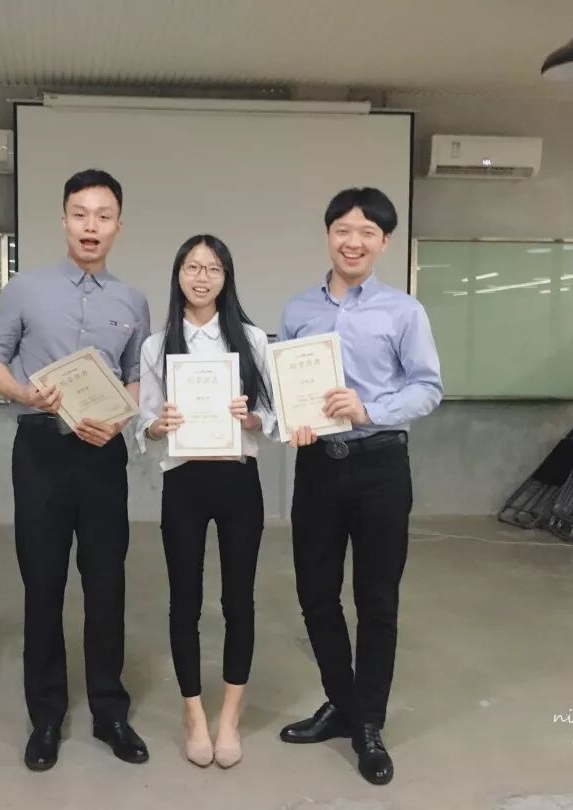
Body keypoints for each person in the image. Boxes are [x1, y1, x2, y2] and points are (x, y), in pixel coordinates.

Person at [0, 169, 152, 771]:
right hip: (41, 452)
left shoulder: (132, 300)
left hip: (103, 452)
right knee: (43, 582)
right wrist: (24, 393)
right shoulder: (24, 289)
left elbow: (138, 374)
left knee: (107, 583)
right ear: (64, 221)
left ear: (118, 226)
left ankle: (110, 712)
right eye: (80, 214)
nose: (90, 226)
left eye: (103, 216)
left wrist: (122, 418)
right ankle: (46, 716)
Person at [276, 188, 442, 786]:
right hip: (318, 466)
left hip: (380, 467)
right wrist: (288, 418)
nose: (353, 241)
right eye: (343, 229)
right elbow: (282, 383)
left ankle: (368, 723)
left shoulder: (404, 311)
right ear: (328, 235)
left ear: (384, 242)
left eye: (367, 232)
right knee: (316, 595)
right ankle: (342, 703)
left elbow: (428, 387)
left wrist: (369, 409)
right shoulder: (298, 309)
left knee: (377, 600)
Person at [137, 235, 274, 769]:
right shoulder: (157, 346)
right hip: (184, 483)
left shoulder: (252, 340)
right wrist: (158, 425)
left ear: (226, 277)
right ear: (178, 275)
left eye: (213, 268)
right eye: (192, 267)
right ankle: (194, 713)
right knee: (185, 601)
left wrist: (250, 417)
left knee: (239, 601)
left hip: (238, 479)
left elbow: (273, 417)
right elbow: (145, 422)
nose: (202, 277)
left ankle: (230, 717)